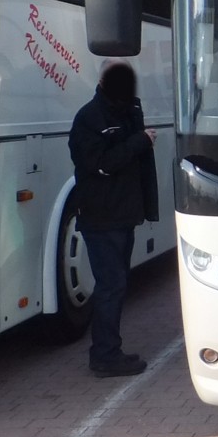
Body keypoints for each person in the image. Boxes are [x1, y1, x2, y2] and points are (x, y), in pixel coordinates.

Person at [68, 59, 159, 378]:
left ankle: (108, 351)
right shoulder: (89, 118)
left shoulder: (127, 111)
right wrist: (140, 140)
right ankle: (105, 355)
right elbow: (101, 164)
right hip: (101, 218)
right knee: (111, 285)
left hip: (121, 216)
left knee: (116, 285)